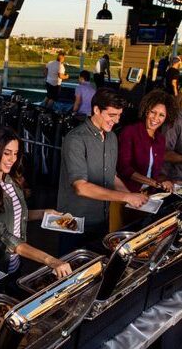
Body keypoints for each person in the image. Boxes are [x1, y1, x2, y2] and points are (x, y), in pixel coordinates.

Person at [0, 123, 72, 279]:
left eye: (16, 153)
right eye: (7, 153)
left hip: (15, 263)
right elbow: (3, 235)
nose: (12, 159)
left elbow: (16, 213)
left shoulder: (10, 179)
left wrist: (44, 213)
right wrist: (50, 260)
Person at [57, 88, 148, 255]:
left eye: (119, 115)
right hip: (74, 222)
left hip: (101, 221)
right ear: (96, 109)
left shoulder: (112, 137)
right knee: (70, 275)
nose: (116, 120)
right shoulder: (75, 139)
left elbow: (111, 176)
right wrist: (126, 197)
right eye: (111, 115)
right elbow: (81, 187)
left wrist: (132, 198)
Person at [117, 90, 178, 193]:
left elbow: (155, 171)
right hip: (127, 193)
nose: (156, 118)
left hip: (149, 195)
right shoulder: (130, 132)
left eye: (161, 115)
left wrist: (166, 181)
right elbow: (124, 168)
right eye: (153, 112)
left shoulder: (160, 139)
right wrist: (154, 183)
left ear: (166, 118)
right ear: (146, 111)